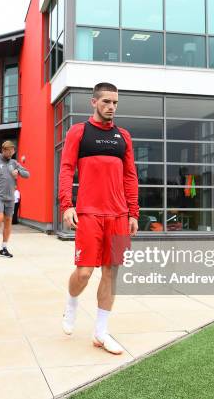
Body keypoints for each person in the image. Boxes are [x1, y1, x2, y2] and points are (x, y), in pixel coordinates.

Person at [58, 82, 139, 355]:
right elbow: (67, 169)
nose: (111, 107)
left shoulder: (123, 136)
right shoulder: (79, 132)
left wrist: (133, 212)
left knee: (111, 272)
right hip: (89, 213)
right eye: (106, 101)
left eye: (115, 102)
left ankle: (101, 332)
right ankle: (71, 303)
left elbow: (130, 176)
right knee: (84, 272)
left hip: (118, 215)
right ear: (94, 102)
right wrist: (66, 205)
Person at [0, 141, 30, 257]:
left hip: (10, 197)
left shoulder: (14, 163)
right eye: (8, 152)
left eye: (12, 152)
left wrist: (18, 171)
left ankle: (4, 248)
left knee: (8, 221)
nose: (10, 154)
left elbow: (27, 174)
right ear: (3, 150)